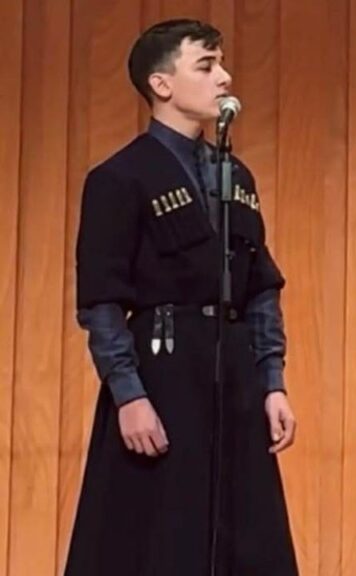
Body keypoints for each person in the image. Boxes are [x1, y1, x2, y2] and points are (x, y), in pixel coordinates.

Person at [65, 19, 299, 576]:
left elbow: (260, 286)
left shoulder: (235, 175)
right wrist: (128, 395)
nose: (225, 77)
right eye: (207, 65)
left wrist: (272, 382)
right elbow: (101, 302)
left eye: (222, 64)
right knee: (157, 532)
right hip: (163, 371)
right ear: (162, 83)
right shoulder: (119, 177)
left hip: (233, 369)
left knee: (246, 531)